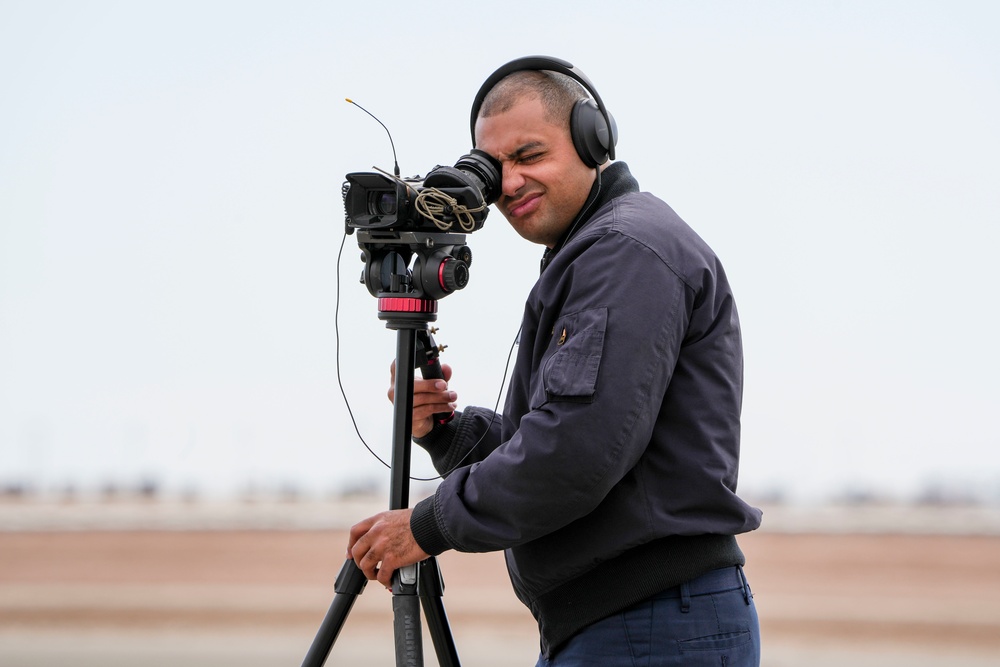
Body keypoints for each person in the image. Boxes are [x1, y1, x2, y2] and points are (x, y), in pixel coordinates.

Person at [347, 56, 763, 666]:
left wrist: (430, 525)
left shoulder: (625, 252)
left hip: (648, 624)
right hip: (627, 622)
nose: (510, 183)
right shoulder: (593, 253)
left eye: (529, 155)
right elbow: (547, 442)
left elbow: (577, 453)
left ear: (594, 140)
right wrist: (445, 433)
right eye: (494, 169)